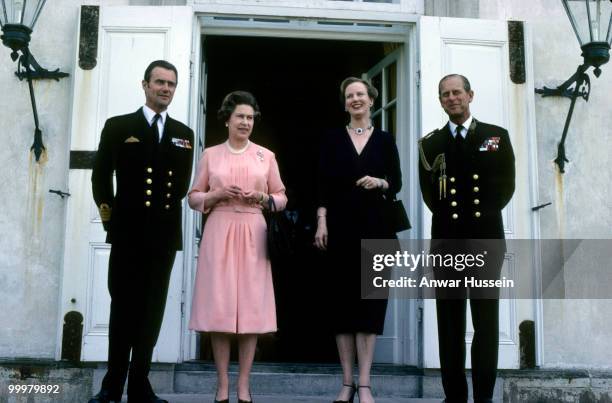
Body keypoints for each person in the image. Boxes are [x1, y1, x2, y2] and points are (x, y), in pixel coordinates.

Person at [90, 60, 194, 403]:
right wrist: (111, 221)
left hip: (163, 237)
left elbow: (179, 186)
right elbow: (100, 177)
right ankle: (112, 385)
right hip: (128, 234)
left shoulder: (183, 133)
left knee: (151, 313)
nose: (166, 88)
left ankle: (140, 386)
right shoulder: (120, 126)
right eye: (160, 82)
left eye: (171, 84)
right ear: (145, 85)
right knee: (122, 310)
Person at [418, 74, 515, 403]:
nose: (451, 98)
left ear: (470, 95)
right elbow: (431, 196)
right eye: (444, 94)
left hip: (485, 241)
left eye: (456, 92)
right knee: (449, 326)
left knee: (486, 324)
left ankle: (484, 397)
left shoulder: (495, 137)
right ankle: (455, 397)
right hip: (447, 243)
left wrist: (477, 221)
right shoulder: (430, 143)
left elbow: (505, 187)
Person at [188, 91, 287, 403]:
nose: (246, 122)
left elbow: (282, 197)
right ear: (228, 120)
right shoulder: (211, 155)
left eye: (250, 117)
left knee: (251, 310)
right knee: (220, 307)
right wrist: (215, 195)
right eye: (240, 116)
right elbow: (193, 196)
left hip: (253, 230)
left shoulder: (265, 156)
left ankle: (244, 384)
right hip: (219, 228)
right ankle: (221, 384)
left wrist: (262, 198)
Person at [314, 77, 402, 403]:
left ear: (371, 99)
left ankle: (365, 383)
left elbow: (398, 182)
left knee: (370, 307)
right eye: (349, 95)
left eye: (360, 94)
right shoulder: (332, 138)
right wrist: (321, 222)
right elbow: (321, 184)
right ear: (345, 102)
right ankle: (346, 383)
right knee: (342, 307)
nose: (355, 99)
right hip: (339, 230)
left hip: (377, 230)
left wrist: (380, 181)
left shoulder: (385, 140)